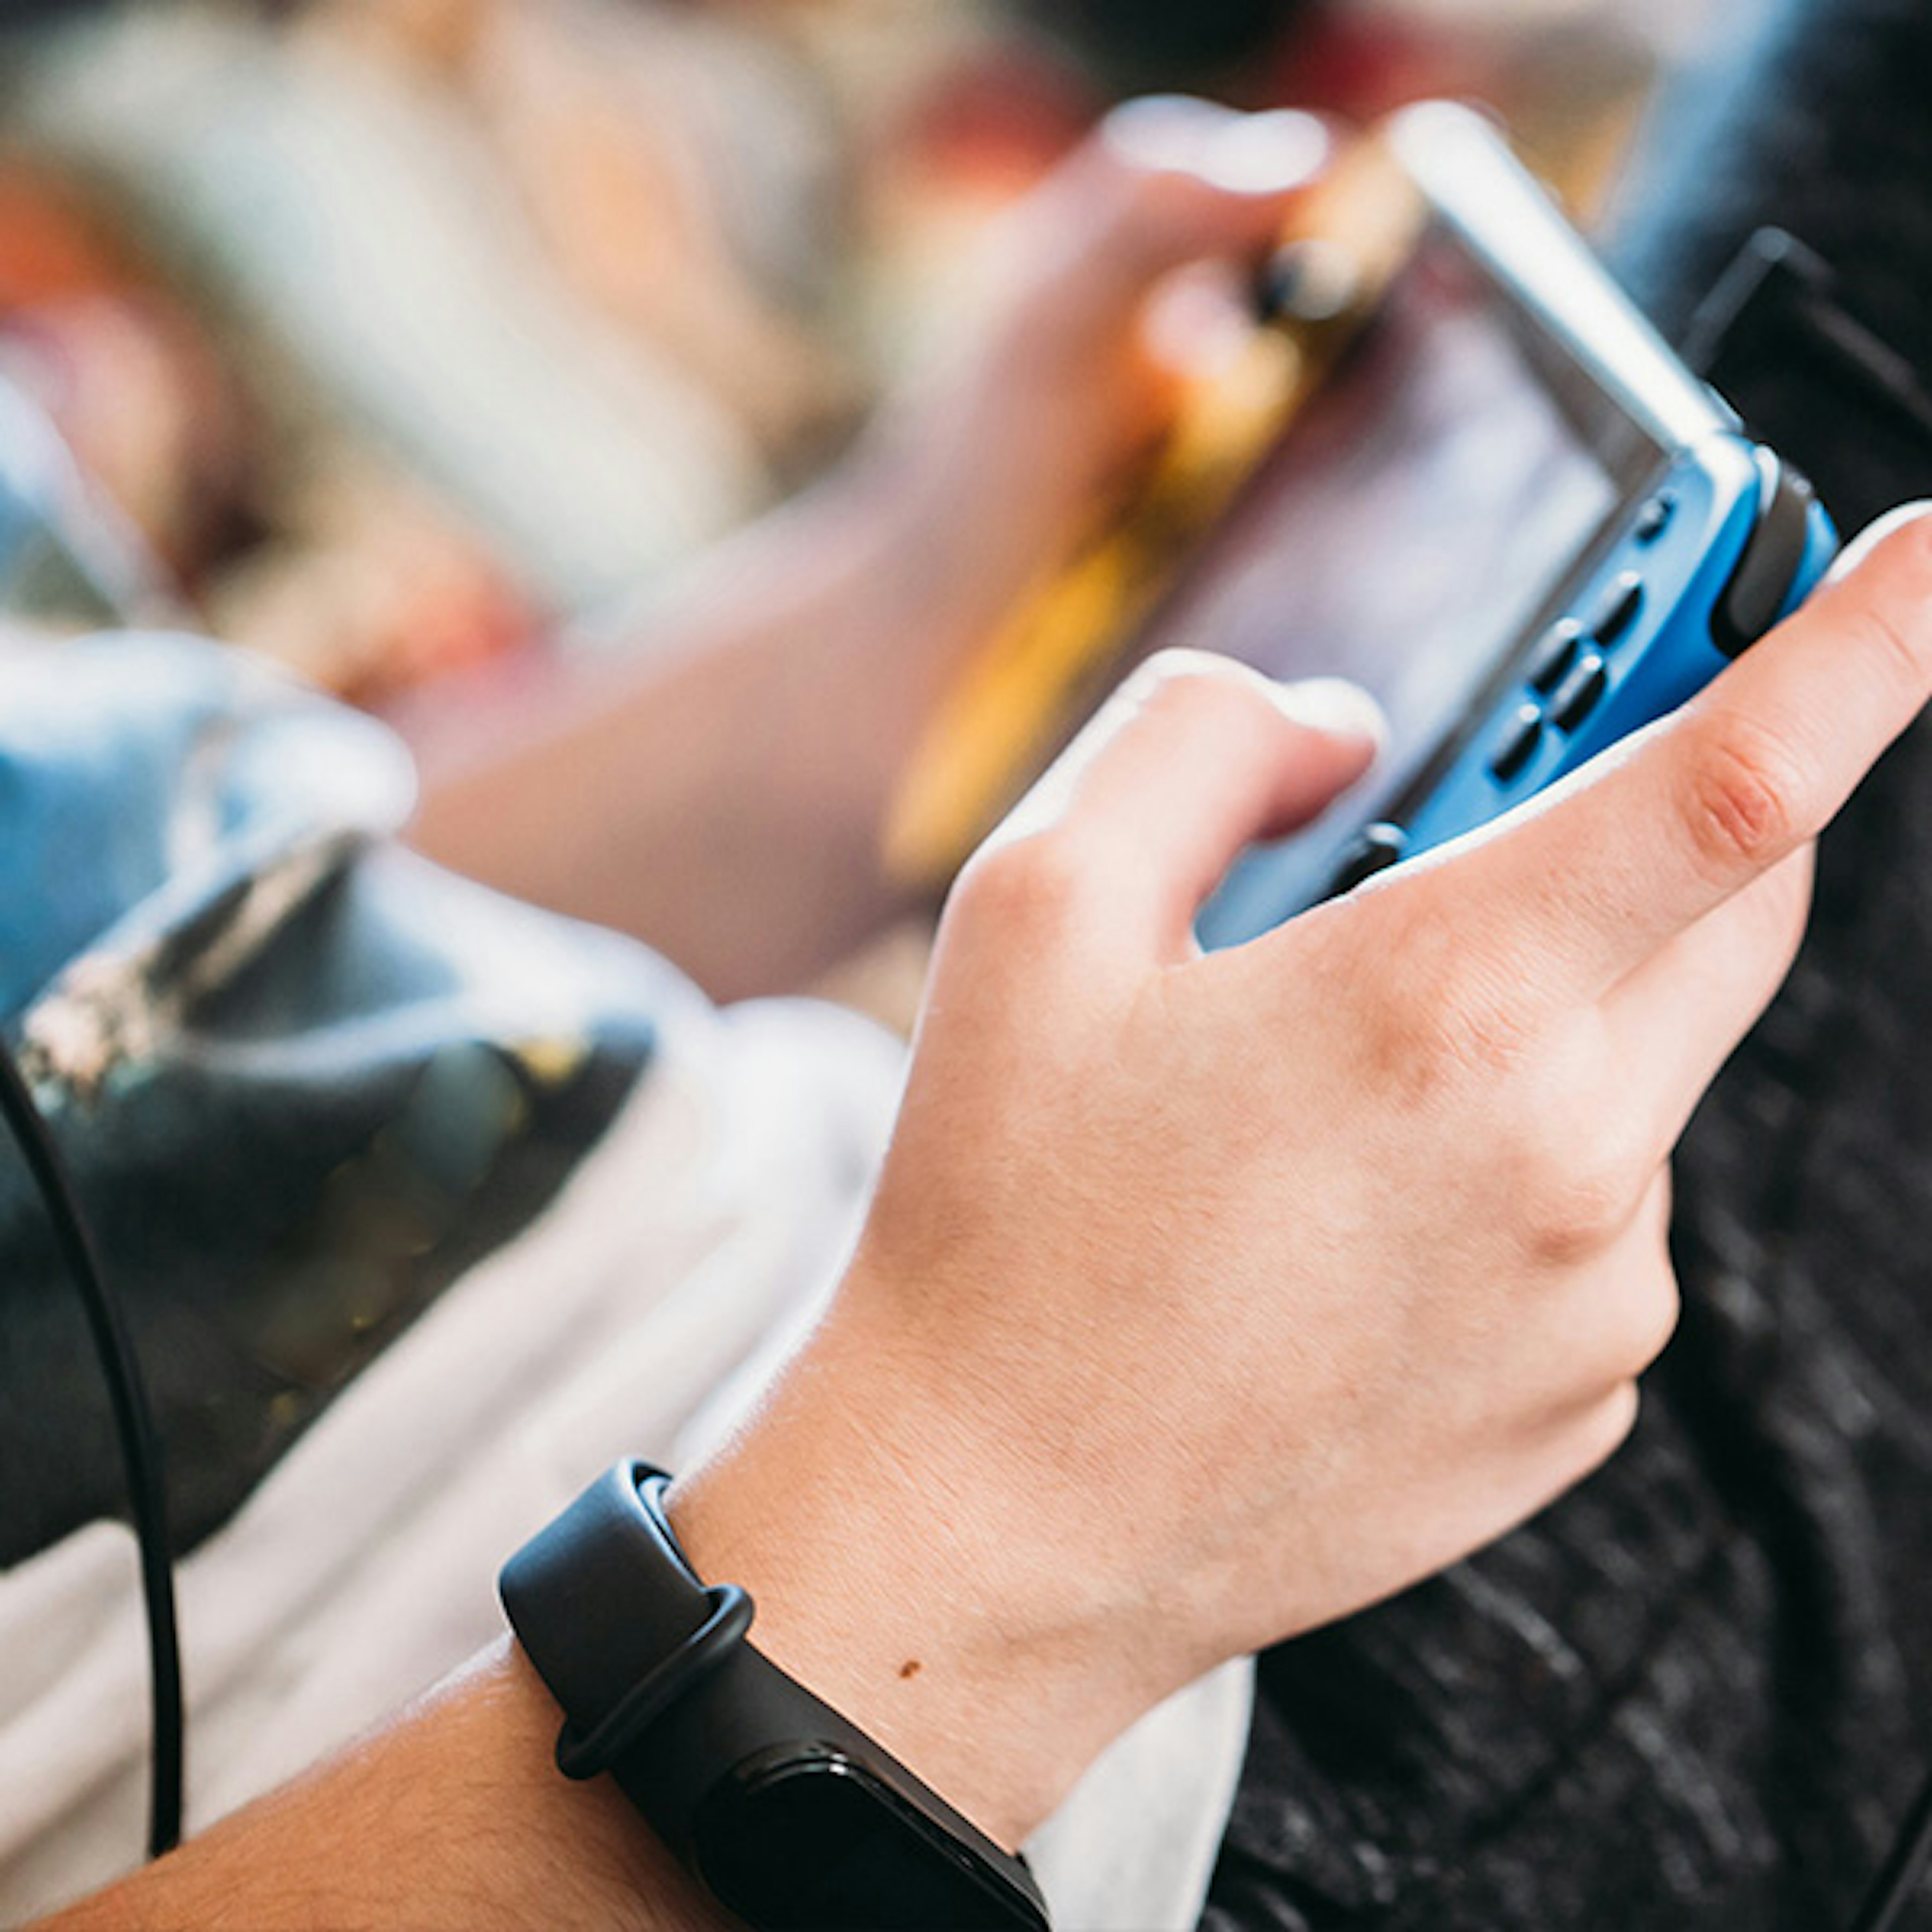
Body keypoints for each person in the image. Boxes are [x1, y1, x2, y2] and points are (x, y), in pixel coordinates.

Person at [11, 17, 1932, 1932]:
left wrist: (885, 636)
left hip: (941, 1366)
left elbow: (153, 1005)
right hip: (1034, 1739)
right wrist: (989, 1511)